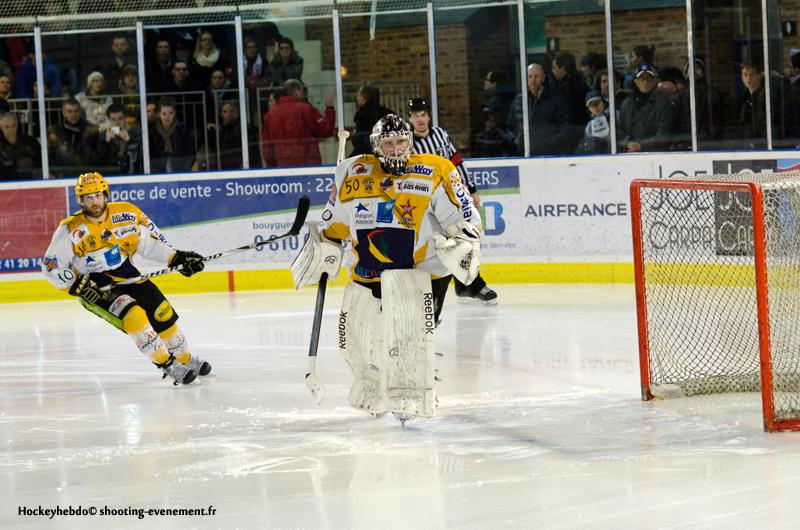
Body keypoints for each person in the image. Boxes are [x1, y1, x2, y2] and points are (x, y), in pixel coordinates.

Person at [291, 114, 482, 421]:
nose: (396, 149)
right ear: (376, 145)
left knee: (408, 337)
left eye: (401, 142)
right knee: (355, 341)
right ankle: (372, 386)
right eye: (389, 143)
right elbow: (336, 223)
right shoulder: (353, 172)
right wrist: (324, 245)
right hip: (367, 270)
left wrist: (462, 242)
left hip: (417, 271)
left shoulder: (435, 170)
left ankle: (412, 391)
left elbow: (463, 218)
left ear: (410, 142)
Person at [41, 172, 211, 385]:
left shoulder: (126, 213)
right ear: (81, 200)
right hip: (96, 287)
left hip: (127, 273)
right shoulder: (69, 229)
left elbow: (149, 244)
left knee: (162, 312)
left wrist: (176, 258)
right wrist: (77, 286)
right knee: (135, 317)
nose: (95, 201)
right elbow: (50, 266)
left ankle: (185, 358)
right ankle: (168, 365)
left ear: (106, 195)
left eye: (98, 195)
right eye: (88, 197)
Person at [407, 97, 497, 304]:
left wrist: (471, 189)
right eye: (415, 115)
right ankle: (448, 288)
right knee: (437, 247)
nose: (420, 119)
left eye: (423, 114)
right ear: (410, 118)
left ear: (429, 116)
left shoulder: (440, 135)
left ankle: (469, 285)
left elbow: (456, 162)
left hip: (452, 199)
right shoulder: (407, 143)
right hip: (425, 204)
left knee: (463, 238)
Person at [261, 79, 334, 167]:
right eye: (302, 91)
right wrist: (330, 109)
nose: (303, 95)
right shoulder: (305, 109)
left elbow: (267, 147)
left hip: (282, 166)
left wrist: (272, 168)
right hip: (308, 165)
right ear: (296, 91)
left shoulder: (270, 115)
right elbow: (325, 130)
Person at [507, 63, 571, 155]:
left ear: (543, 78)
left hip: (547, 154)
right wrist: (516, 142)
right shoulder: (518, 101)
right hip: (522, 154)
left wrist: (549, 145)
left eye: (536, 77)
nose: (533, 80)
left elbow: (564, 128)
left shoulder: (555, 101)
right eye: (530, 77)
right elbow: (510, 127)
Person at [616, 64, 676, 152]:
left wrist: (641, 146)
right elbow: (618, 130)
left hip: (655, 154)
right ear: (636, 81)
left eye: (649, 78)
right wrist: (628, 143)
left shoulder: (664, 105)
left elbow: (664, 136)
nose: (646, 82)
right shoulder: (626, 105)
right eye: (642, 78)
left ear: (655, 81)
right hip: (629, 153)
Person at [47, 98, 100, 178]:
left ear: (80, 112)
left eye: (76, 111)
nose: (73, 114)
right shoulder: (54, 130)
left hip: (87, 174)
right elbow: (49, 154)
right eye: (70, 111)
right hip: (62, 175)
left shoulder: (92, 129)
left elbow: (98, 153)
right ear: (64, 113)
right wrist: (56, 172)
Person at [149, 97, 195, 173]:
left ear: (174, 113)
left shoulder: (182, 130)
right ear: (159, 114)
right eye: (164, 114)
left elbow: (189, 153)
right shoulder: (152, 132)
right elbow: (151, 156)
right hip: (158, 171)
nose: (167, 117)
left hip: (180, 170)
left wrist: (185, 169)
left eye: (170, 113)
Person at [96, 103, 141, 175]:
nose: (117, 123)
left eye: (120, 119)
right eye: (113, 119)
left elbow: (139, 156)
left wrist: (129, 141)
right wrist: (106, 142)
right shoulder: (103, 135)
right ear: (109, 120)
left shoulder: (135, 132)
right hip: (110, 174)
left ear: (125, 118)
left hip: (131, 173)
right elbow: (99, 161)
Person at [350, 84, 394, 156]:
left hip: (366, 153)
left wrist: (355, 137)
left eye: (358, 95)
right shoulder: (389, 113)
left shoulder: (361, 115)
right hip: (388, 152)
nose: (357, 98)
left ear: (362, 98)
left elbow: (358, 140)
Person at [0, 111, 41, 180]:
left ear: (17, 125)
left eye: (13, 126)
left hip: (29, 181)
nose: (11, 130)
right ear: (1, 127)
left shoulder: (31, 142)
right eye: (7, 127)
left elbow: (40, 163)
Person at [574, 90, 610, 154]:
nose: (595, 107)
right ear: (589, 109)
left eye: (597, 102)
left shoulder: (615, 116)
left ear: (603, 102)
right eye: (591, 105)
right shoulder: (589, 126)